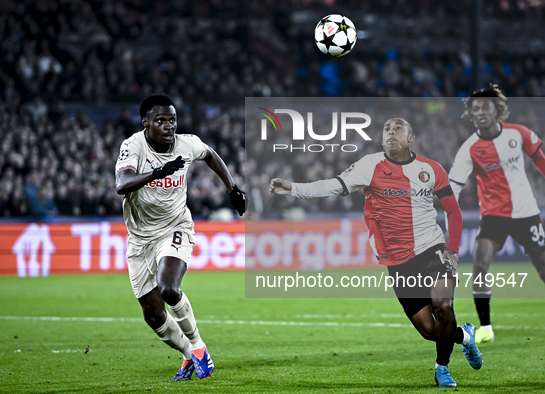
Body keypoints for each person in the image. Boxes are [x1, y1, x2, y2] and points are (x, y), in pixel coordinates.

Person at [270, 117, 482, 387]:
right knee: (430, 330)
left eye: (398, 128)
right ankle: (464, 336)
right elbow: (331, 185)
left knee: (443, 305)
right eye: (386, 129)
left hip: (432, 249)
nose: (391, 132)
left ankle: (442, 368)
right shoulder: (369, 166)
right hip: (398, 261)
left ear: (411, 138)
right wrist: (294, 189)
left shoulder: (431, 169)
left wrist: (452, 249)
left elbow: (453, 210)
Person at [115, 93, 247, 381]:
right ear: (146, 123)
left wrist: (232, 188)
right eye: (160, 120)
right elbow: (121, 184)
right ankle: (188, 355)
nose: (168, 126)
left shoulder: (187, 144)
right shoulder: (133, 146)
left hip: (176, 226)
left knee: (169, 288)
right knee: (152, 314)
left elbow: (210, 154)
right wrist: (156, 172)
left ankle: (199, 348)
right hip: (139, 238)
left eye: (172, 120)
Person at [449, 84, 545, 343]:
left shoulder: (518, 133)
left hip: (526, 212)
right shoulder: (469, 148)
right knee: (479, 264)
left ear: (496, 110)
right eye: (475, 108)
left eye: (485, 107)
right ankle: (486, 327)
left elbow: (541, 160)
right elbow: (453, 187)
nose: (480, 112)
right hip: (493, 216)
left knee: (543, 267)